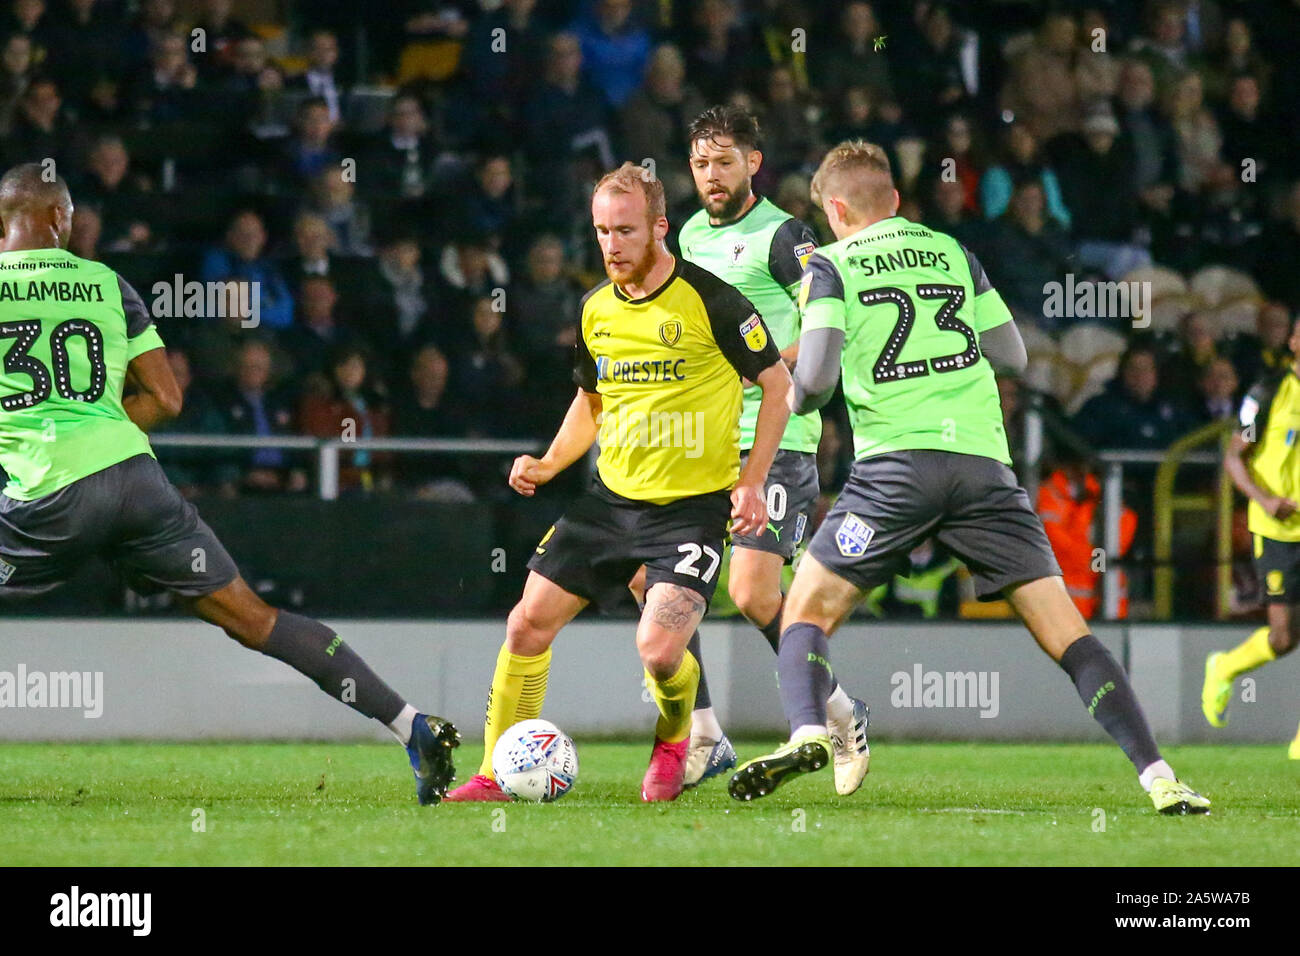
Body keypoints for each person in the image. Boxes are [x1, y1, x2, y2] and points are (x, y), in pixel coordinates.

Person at [729, 142, 1209, 815]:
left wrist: (797, 395)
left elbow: (814, 381)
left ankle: (811, 730)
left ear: (835, 210)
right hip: (986, 470)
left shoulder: (829, 267)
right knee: (1070, 636)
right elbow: (1013, 356)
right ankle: (1159, 776)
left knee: (804, 612)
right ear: (895, 200)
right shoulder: (955, 252)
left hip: (894, 469)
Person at [0, 164, 459, 803]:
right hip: (137, 481)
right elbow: (165, 398)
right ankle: (414, 727)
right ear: (60, 220)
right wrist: (97, 431)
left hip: (48, 493)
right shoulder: (106, 282)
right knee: (255, 617)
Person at [445, 162, 792, 803]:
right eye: (602, 230)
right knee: (525, 625)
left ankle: (675, 740)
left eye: (625, 231)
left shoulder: (713, 300)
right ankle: (495, 772)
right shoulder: (596, 309)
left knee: (659, 652)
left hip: (690, 511)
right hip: (608, 503)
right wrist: (550, 463)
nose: (611, 245)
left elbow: (778, 384)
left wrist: (751, 481)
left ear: (660, 228)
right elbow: (593, 398)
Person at [663, 104, 870, 794]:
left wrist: (764, 367)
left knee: (752, 592)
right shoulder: (689, 233)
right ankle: (703, 734)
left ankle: (837, 709)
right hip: (702, 438)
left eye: (724, 161)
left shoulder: (785, 235)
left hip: (775, 435)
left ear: (754, 162)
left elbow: (823, 313)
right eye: (700, 163)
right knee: (654, 580)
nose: (711, 175)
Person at [1203, 317, 1300, 759]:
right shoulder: (1267, 393)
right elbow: (1233, 458)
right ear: (1294, 341)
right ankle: (1225, 667)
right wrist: (1264, 499)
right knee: (1283, 638)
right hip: (1277, 530)